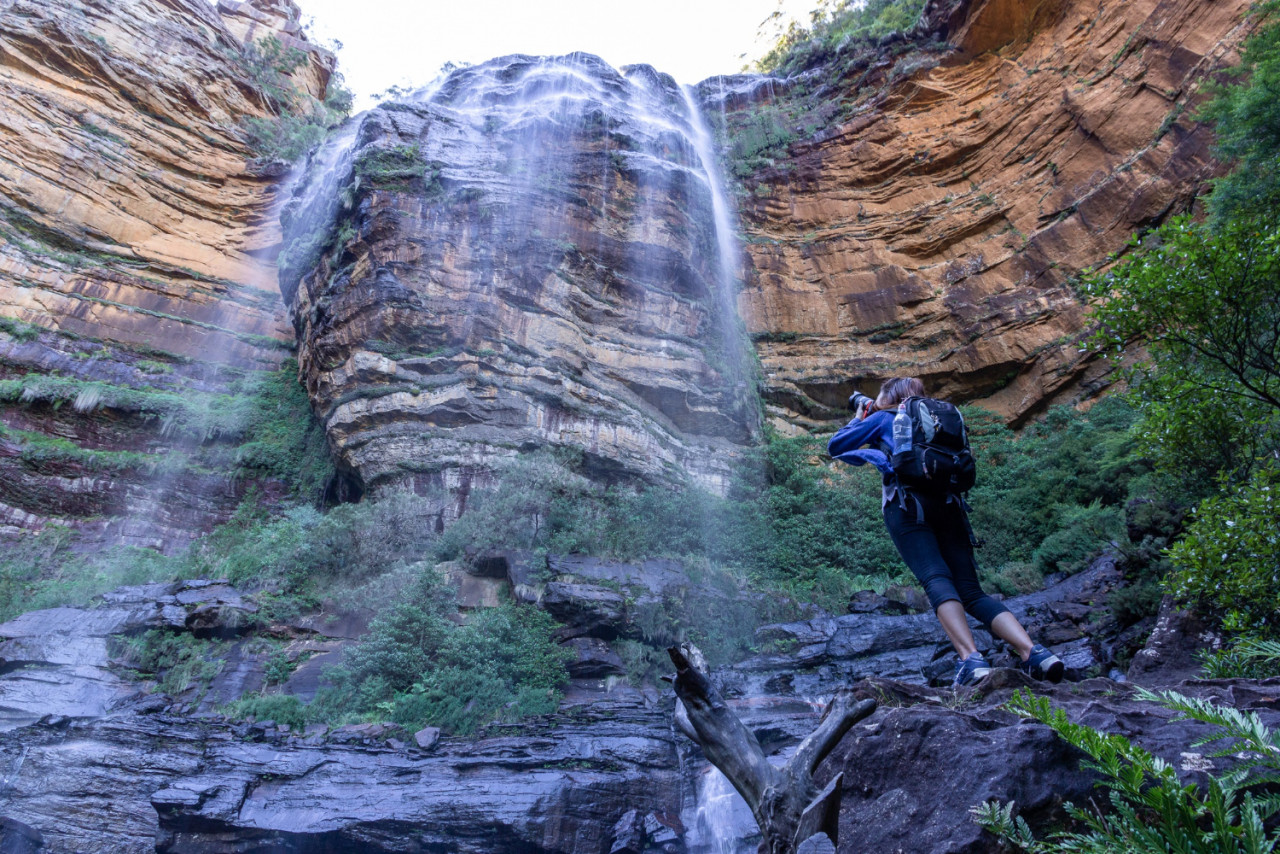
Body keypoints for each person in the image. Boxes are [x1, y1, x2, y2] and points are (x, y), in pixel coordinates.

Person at [828, 376, 1063, 686]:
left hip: (907, 506)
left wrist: (859, 417)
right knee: (971, 591)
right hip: (951, 506)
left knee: (936, 578)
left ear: (890, 397)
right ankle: (1035, 653)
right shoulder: (940, 420)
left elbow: (836, 446)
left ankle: (971, 660)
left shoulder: (885, 417)